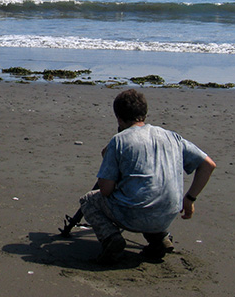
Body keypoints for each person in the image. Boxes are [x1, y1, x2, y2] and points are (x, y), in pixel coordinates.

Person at [80, 89, 216, 264]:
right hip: (168, 214)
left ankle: (111, 238)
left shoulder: (119, 140)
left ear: (119, 119)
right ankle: (160, 238)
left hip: (134, 214)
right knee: (150, 192)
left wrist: (109, 160)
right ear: (144, 114)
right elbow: (208, 164)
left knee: (89, 201)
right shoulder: (172, 137)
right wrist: (190, 198)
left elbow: (105, 190)